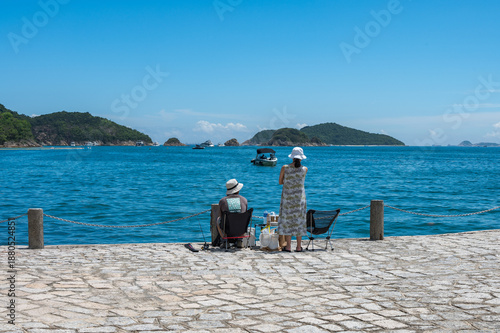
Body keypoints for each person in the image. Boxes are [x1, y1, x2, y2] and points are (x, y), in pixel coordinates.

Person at [278, 147, 308, 252]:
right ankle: (299, 247)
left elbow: (280, 182)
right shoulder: (305, 169)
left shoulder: (284, 167)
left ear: (292, 157)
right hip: (300, 199)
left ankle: (289, 246)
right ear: (301, 158)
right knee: (299, 221)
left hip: (287, 198)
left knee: (287, 221)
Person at [212, 179, 248, 246]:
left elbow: (220, 216)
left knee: (218, 220)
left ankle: (225, 241)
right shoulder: (244, 200)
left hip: (228, 230)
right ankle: (240, 240)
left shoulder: (223, 201)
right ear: (238, 189)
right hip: (241, 229)